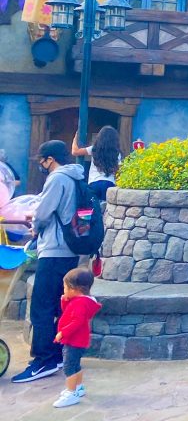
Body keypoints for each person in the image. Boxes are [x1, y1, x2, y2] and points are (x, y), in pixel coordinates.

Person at [11, 140, 84, 384]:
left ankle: (43, 361)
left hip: (54, 250)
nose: (41, 165)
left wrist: (34, 227)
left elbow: (43, 213)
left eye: (42, 160)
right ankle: (57, 354)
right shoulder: (75, 177)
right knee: (56, 305)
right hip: (70, 249)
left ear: (49, 159)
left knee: (41, 307)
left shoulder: (57, 178)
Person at [52, 268, 101, 408]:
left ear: (75, 289)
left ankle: (71, 393)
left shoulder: (80, 303)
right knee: (75, 365)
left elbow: (77, 321)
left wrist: (63, 333)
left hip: (74, 340)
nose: (64, 290)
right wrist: (64, 300)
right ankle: (78, 388)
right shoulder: (81, 301)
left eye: (65, 287)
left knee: (68, 367)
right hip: (78, 340)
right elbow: (68, 310)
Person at [71, 126, 121, 201]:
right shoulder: (117, 153)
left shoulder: (94, 149)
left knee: (93, 209)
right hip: (109, 184)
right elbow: (118, 172)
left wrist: (75, 139)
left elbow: (75, 152)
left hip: (94, 183)